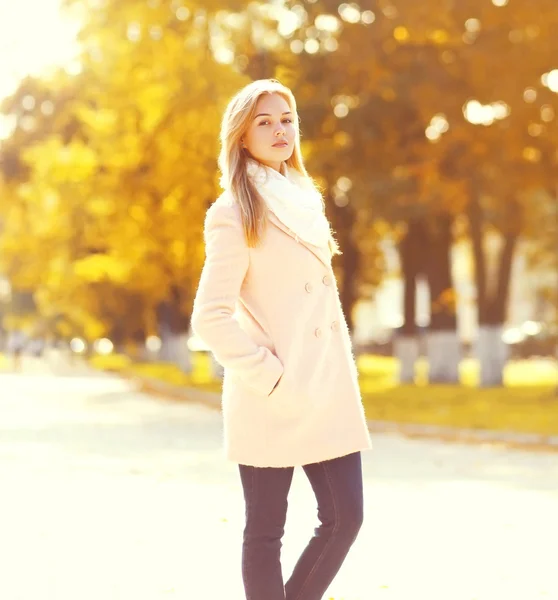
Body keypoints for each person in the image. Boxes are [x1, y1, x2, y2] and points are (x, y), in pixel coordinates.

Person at [191, 79, 372, 600]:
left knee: (347, 518)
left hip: (325, 391)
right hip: (273, 393)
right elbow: (210, 315)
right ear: (242, 137)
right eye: (264, 122)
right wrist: (269, 374)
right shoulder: (233, 212)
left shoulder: (303, 201)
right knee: (266, 532)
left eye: (286, 119)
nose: (279, 130)